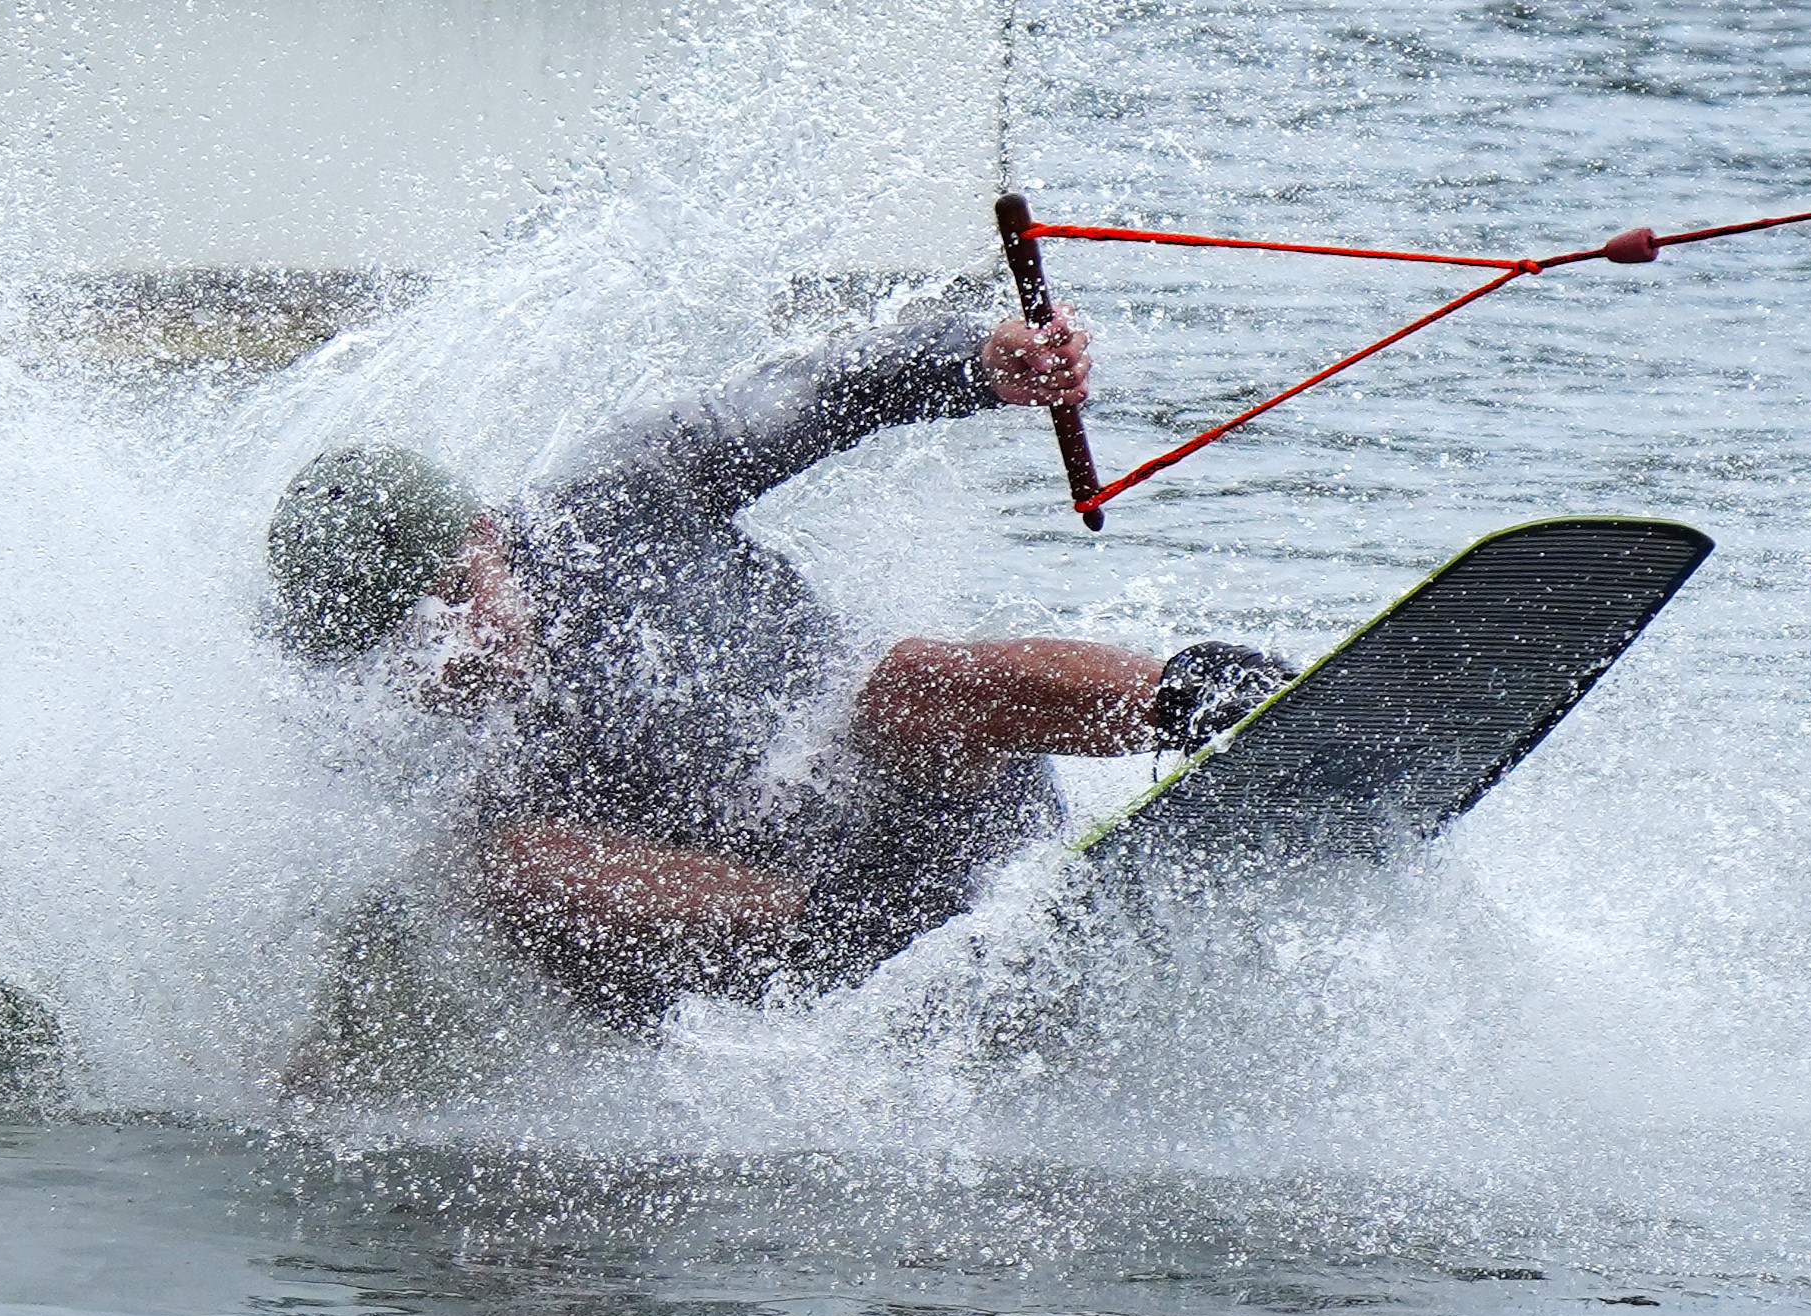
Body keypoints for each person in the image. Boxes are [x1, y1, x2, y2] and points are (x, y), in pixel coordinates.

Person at [267, 311, 1289, 1028]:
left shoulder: (619, 493)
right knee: (501, 866)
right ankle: (873, 968)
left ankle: (1221, 701)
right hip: (789, 969)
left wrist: (979, 361)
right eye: (404, 641)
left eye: (457, 593)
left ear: (488, 531)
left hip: (936, 816)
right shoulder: (392, 754)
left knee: (905, 684)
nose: (453, 646)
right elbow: (370, 935)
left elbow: (823, 391)